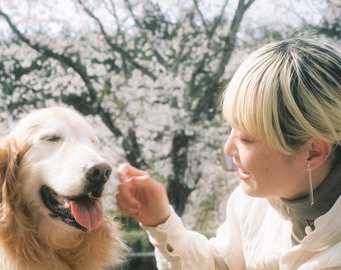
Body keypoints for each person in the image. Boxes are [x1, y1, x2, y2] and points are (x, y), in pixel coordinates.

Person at [115, 37, 341, 270]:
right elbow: (222, 263)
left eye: (245, 139)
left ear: (313, 152)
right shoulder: (253, 204)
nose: (227, 148)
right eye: (230, 128)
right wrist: (160, 221)